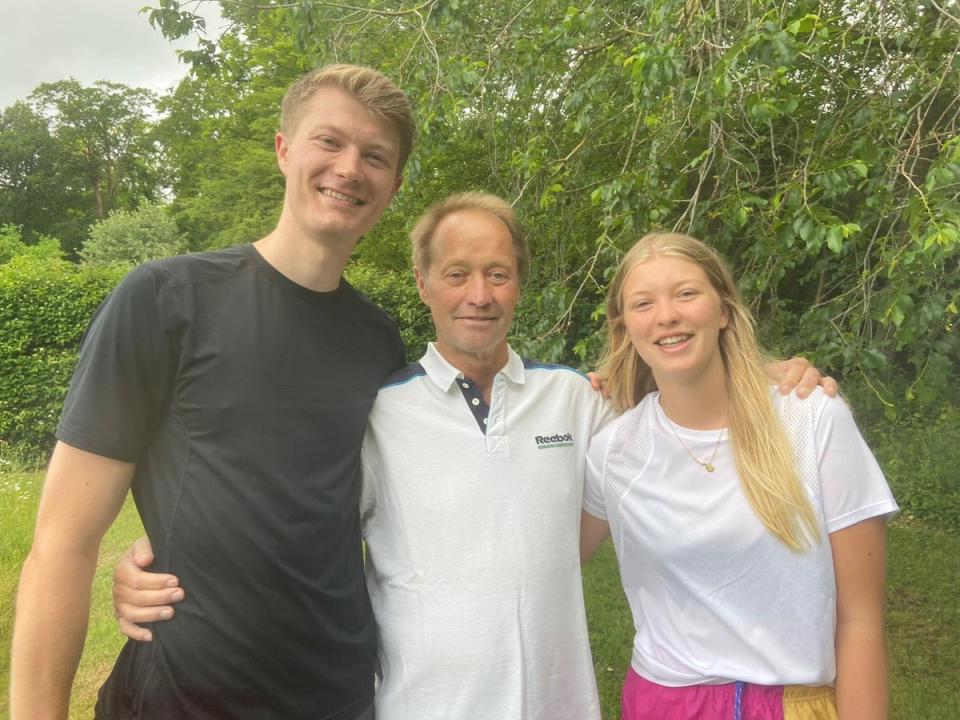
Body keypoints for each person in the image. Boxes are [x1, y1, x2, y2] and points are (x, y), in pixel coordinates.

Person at [110, 196, 834, 719]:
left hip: (559, 703)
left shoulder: (577, 402)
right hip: (420, 706)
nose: (479, 296)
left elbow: (684, 407)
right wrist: (153, 552)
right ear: (423, 284)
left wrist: (768, 372)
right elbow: (281, 511)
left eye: (498, 273)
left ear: (520, 283)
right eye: (457, 274)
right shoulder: (377, 411)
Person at [10, 64, 413, 720]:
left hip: (338, 697)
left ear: (392, 187)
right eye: (329, 142)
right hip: (183, 698)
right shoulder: (166, 301)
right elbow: (62, 544)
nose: (349, 168)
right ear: (284, 150)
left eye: (375, 156)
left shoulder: (379, 342)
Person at [580, 232, 898, 720]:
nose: (667, 315)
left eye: (686, 293)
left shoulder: (811, 419)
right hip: (663, 702)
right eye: (643, 303)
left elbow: (861, 621)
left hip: (794, 703)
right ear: (625, 328)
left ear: (724, 310)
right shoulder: (613, 449)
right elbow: (546, 563)